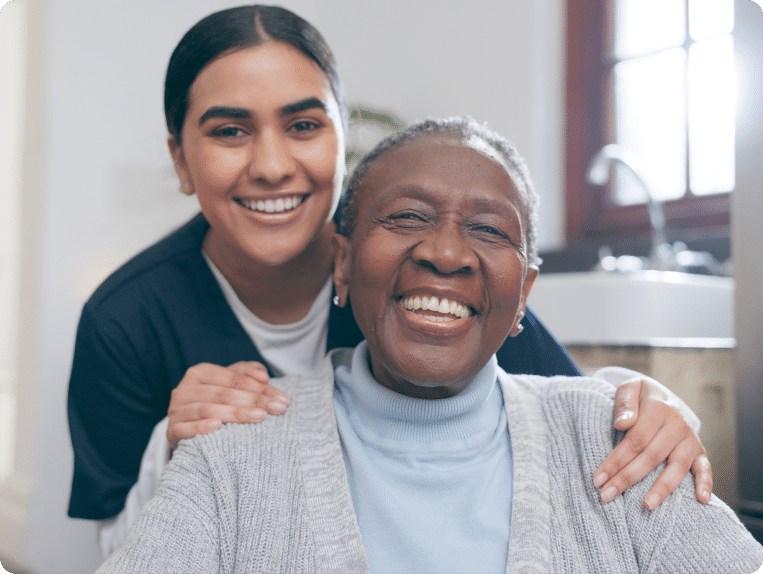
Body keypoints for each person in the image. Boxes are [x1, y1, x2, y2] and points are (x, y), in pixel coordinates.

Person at [67, 4, 711, 557]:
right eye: (230, 131)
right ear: (181, 158)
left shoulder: (412, 277)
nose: (270, 165)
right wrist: (171, 449)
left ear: (341, 139)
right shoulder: (125, 319)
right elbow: (117, 548)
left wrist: (643, 401)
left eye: (303, 126)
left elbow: (561, 413)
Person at [97, 117, 763, 573]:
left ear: (523, 291)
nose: (445, 252)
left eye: (488, 230)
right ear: (342, 262)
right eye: (407, 217)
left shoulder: (623, 442)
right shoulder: (233, 450)